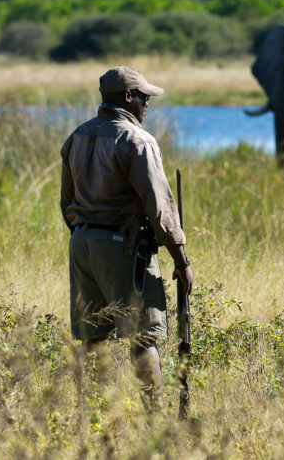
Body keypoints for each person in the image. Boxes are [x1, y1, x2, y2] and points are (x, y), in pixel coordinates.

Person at [60, 65, 193, 410]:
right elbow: (160, 206)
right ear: (128, 97)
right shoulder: (137, 140)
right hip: (124, 247)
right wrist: (181, 261)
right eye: (144, 97)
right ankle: (156, 421)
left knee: (93, 338)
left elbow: (66, 201)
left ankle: (93, 420)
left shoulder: (77, 136)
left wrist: (87, 234)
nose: (148, 104)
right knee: (144, 335)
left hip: (82, 244)